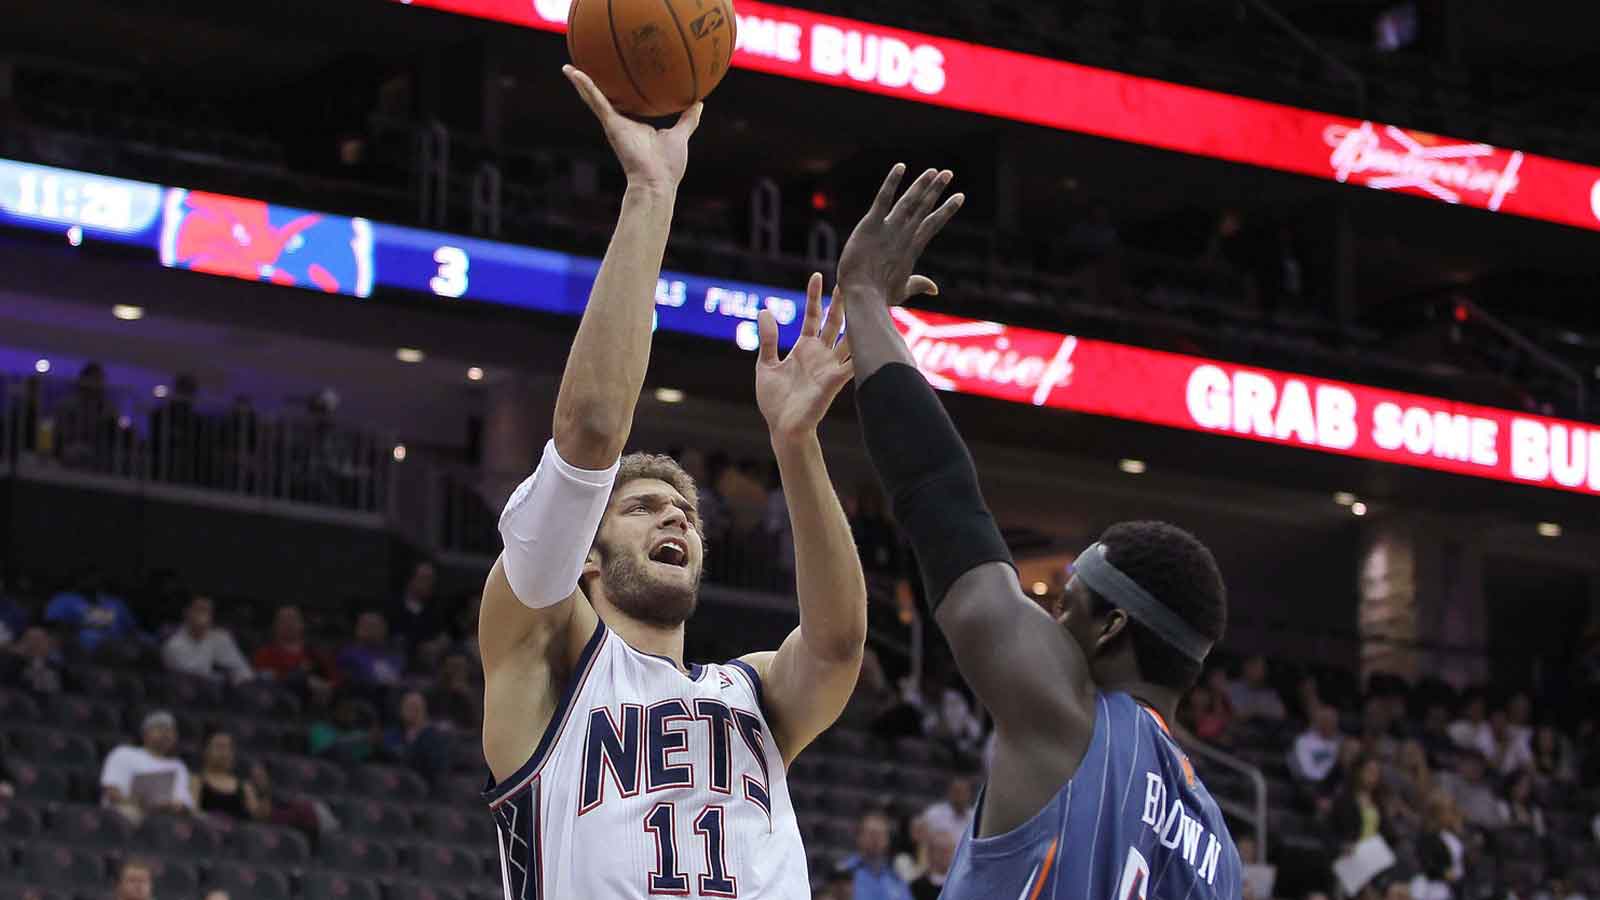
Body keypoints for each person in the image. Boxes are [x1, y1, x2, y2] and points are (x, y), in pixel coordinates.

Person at [478, 65, 868, 900]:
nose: (677, 519)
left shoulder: (752, 690)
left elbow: (837, 645)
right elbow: (588, 435)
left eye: (686, 510)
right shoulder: (544, 656)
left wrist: (796, 443)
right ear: (586, 553)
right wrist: (651, 194)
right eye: (645, 506)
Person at [837, 164, 1239, 898]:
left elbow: (941, 496)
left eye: (1067, 602)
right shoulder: (1218, 846)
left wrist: (862, 299)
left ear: (1112, 628)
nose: (1049, 612)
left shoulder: (1068, 715)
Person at [101, 711, 195, 825]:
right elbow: (112, 793)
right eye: (160, 729)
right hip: (128, 812)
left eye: (171, 731)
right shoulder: (124, 753)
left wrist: (175, 806)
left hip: (165, 817)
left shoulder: (178, 766)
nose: (166, 734)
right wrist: (142, 803)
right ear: (145, 733)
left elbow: (185, 803)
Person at [161, 596, 253, 684]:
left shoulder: (221, 637)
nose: (204, 616)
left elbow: (243, 672)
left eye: (208, 611)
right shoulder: (173, 644)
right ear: (186, 613)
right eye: (200, 610)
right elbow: (194, 677)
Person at [191, 732, 262, 822]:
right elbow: (192, 813)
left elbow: (257, 817)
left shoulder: (244, 786)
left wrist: (263, 790)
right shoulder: (196, 780)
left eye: (229, 747)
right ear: (206, 750)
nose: (224, 752)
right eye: (219, 747)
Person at [842, 810, 912, 900]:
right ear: (859, 837)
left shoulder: (896, 878)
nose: (876, 840)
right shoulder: (845, 873)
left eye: (881, 834)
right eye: (871, 834)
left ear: (887, 840)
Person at [382, 690, 451, 782]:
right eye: (408, 706)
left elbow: (435, 770)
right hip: (394, 783)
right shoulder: (395, 732)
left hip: (422, 786)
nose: (413, 710)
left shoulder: (433, 737)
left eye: (416, 707)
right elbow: (384, 751)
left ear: (424, 710)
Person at [919, 776, 976, 843]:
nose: (960, 796)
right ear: (950, 792)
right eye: (957, 791)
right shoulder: (934, 813)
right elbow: (921, 838)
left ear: (969, 794)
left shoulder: (974, 817)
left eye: (963, 792)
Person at [909, 828, 957, 900]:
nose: (946, 855)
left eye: (950, 850)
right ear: (930, 852)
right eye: (941, 850)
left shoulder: (960, 885)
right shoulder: (917, 887)